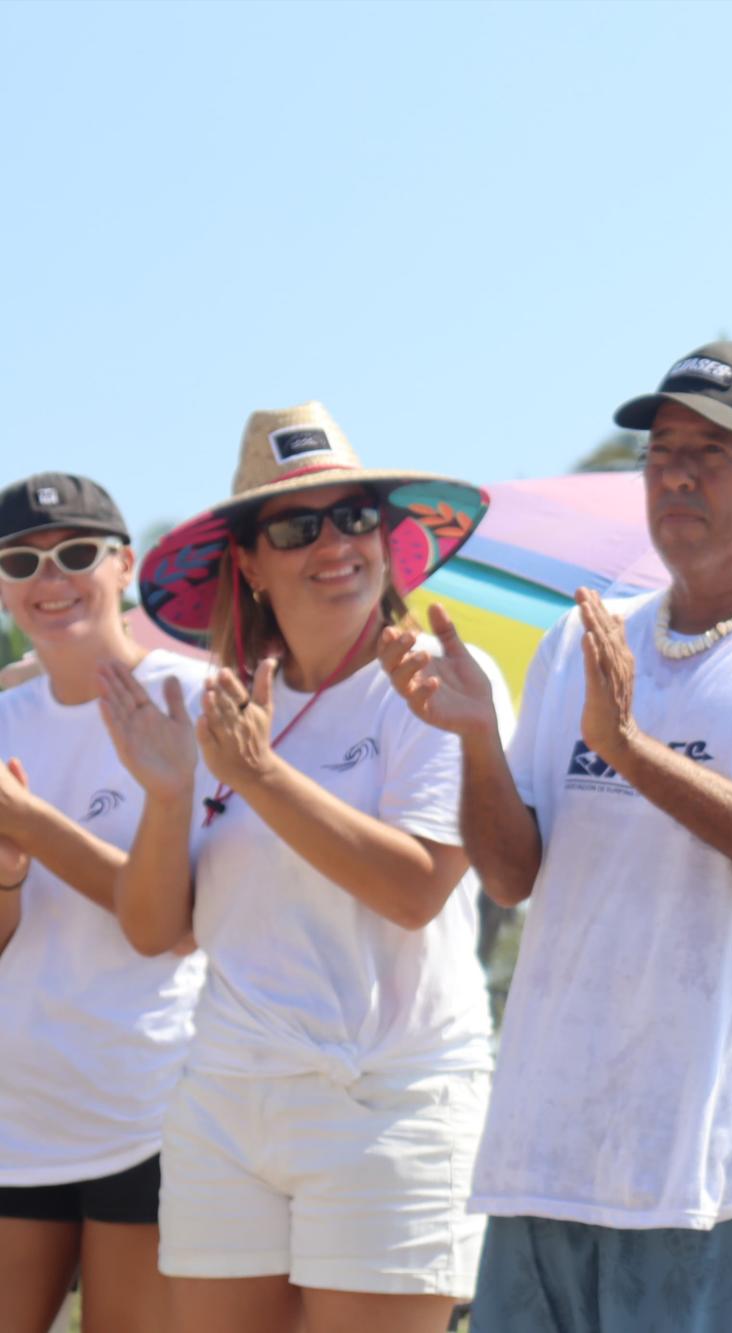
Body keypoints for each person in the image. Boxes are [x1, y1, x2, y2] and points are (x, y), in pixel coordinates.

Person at [379, 341, 732, 1333]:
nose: (676, 472)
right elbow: (512, 876)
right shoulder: (580, 639)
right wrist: (476, 739)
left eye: (711, 451)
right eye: (659, 451)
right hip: (541, 1157)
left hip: (709, 1174)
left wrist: (634, 749)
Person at [101, 403, 501, 1333]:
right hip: (225, 1104)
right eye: (296, 525)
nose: (335, 544)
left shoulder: (437, 682)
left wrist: (261, 775)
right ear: (249, 560)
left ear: (386, 535)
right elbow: (158, 931)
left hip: (387, 1103)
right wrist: (169, 795)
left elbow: (415, 889)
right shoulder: (222, 711)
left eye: (355, 516)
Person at [0, 474, 205, 1333]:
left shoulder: (195, 700)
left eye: (78, 553)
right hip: (16, 1112)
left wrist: (33, 827)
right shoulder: (6, 716)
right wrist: (9, 870)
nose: (52, 579)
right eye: (22, 560)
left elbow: (176, 925)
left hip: (152, 1106)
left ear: (124, 565)